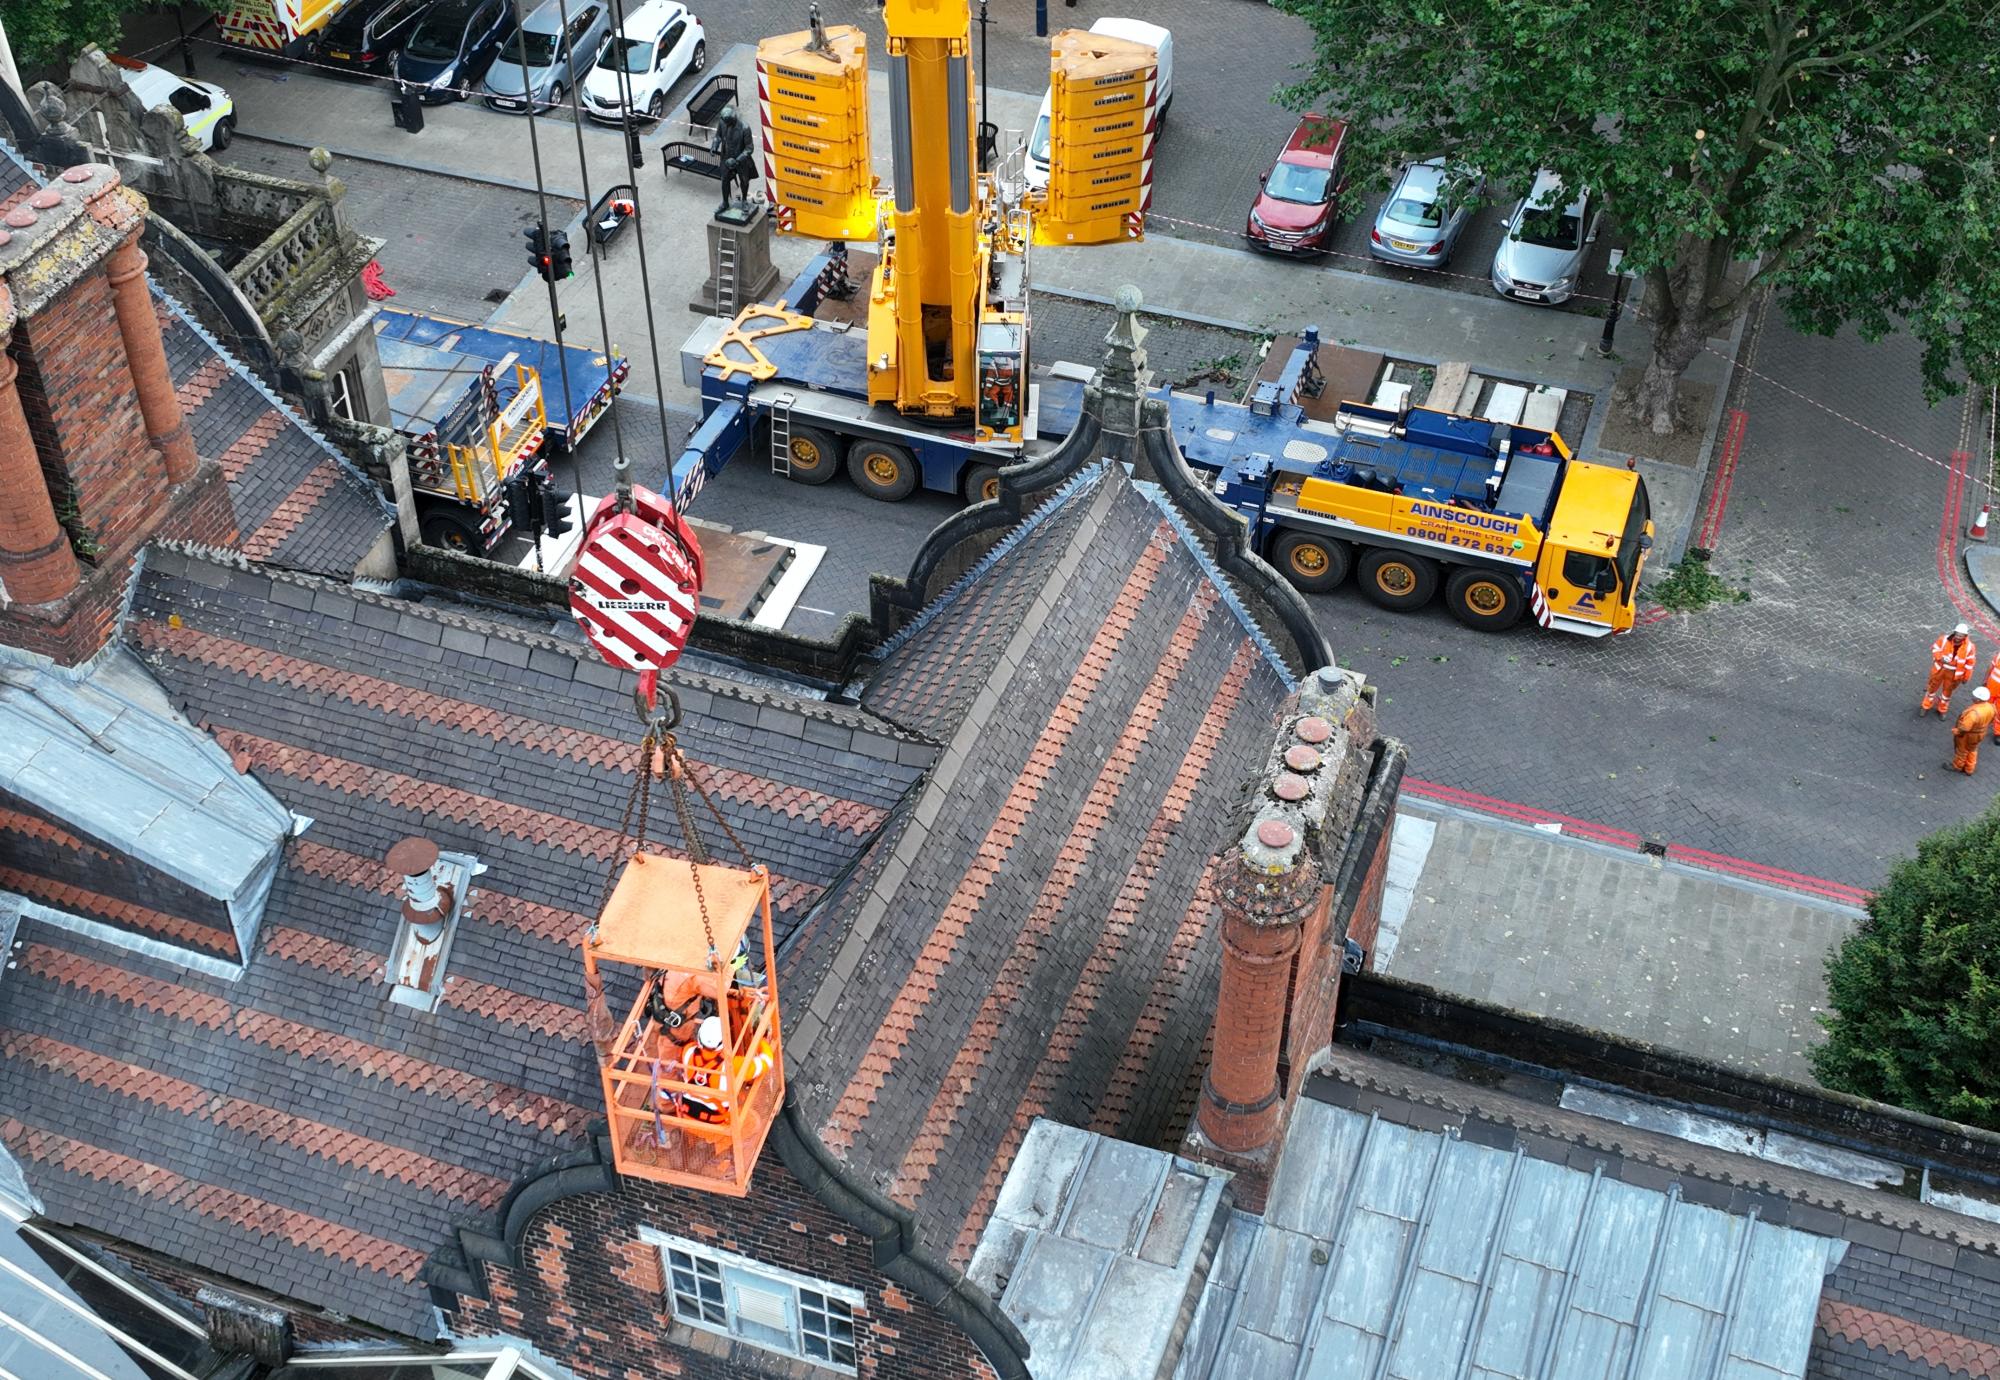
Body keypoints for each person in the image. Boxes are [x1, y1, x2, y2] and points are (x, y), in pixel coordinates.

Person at [680, 1015, 775, 1125]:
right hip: (715, 1125)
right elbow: (767, 1061)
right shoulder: (733, 1066)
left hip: (686, 1119)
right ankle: (720, 1141)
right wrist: (760, 1040)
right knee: (753, 1122)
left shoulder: (687, 1052)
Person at [1923, 624, 1978, 716]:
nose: (1958, 637)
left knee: (1947, 693)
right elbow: (1935, 649)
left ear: (1965, 636)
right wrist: (1941, 658)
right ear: (1954, 633)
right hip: (1940, 669)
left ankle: (1942, 709)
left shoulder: (1970, 647)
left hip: (1954, 673)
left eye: (1961, 635)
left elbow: (1970, 663)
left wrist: (1966, 677)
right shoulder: (1943, 639)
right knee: (1932, 688)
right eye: (1957, 634)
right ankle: (1925, 706)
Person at [1951, 686, 1997, 774]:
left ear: (1979, 700)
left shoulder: (1973, 713)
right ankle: (1970, 768)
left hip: (1969, 735)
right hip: (1981, 734)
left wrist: (1957, 731)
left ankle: (1957, 766)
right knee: (1973, 749)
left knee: (1962, 751)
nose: (1973, 698)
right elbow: (1992, 720)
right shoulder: (1991, 707)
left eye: (1975, 697)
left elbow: (1965, 728)